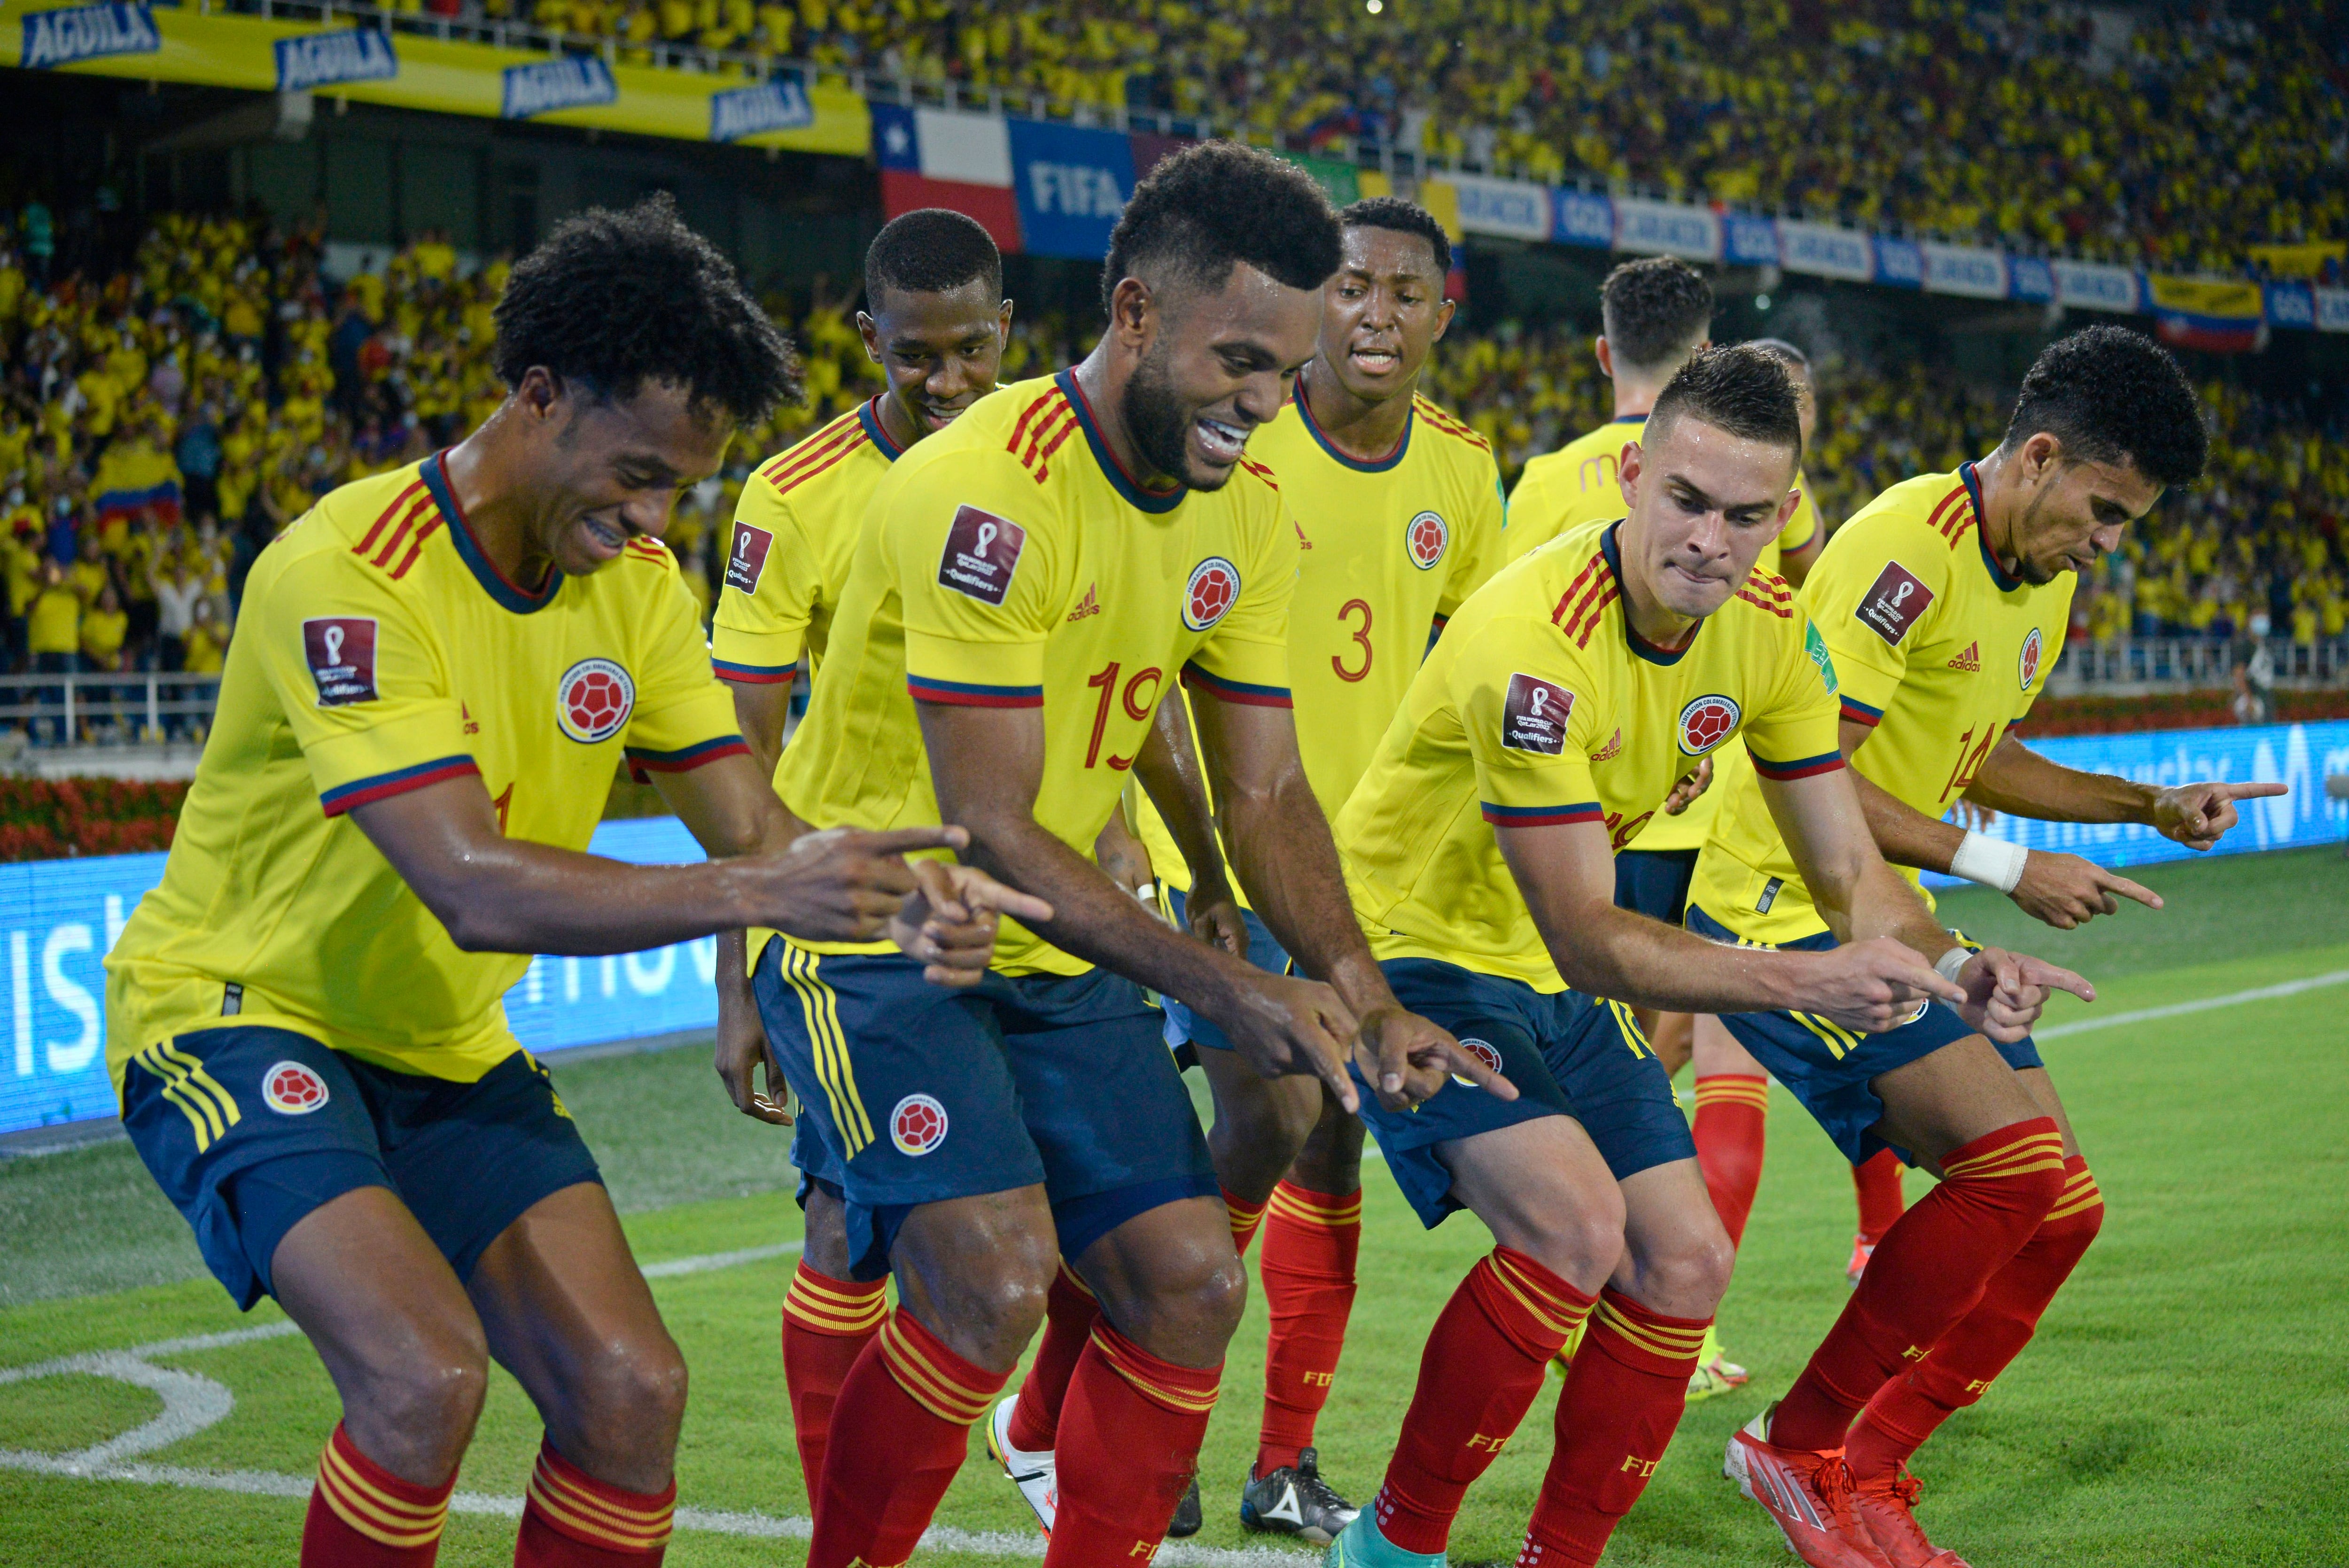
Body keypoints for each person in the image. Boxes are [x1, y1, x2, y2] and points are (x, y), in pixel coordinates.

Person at [101, 195, 1044, 1568]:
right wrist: (757, 896)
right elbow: (471, 885)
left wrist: (899, 894)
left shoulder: (638, 587)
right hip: (239, 1013)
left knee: (631, 1393)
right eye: (638, 471)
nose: (655, 514)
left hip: (441, 1045)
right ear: (538, 395)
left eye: (681, 487)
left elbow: (749, 822)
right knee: (423, 1377)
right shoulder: (347, 575)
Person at [740, 143, 1495, 1568]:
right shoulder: (987, 493)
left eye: (1285, 368)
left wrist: (1358, 981)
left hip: (1052, 943)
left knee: (1191, 1284)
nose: (1265, 403)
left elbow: (1263, 790)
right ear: (1135, 312)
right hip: (878, 931)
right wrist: (1224, 985)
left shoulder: (1249, 504)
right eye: (1238, 362)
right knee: (995, 1275)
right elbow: (993, 820)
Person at [1318, 345, 2085, 1568]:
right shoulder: (1534, 640)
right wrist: (1804, 976)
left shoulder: (1772, 633)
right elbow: (1585, 927)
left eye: (1747, 514)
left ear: (1786, 516)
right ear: (1632, 475)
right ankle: (1390, 1547)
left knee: (1684, 1256)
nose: (1712, 539)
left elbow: (1845, 870)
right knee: (1572, 1226)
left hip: (1546, 969)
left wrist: (1947, 967)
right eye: (1686, 500)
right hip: (1404, 954)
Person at [1698, 326, 2282, 1568]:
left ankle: (1867, 1459)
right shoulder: (1905, 545)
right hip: (1774, 895)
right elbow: (1818, 769)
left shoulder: (2046, 581)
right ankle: (1792, 1447)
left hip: (1881, 898)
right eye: (2104, 509)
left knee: (2063, 1206)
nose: (2108, 543)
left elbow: (1980, 754)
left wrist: (2146, 806)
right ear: (2039, 455)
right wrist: (2009, 868)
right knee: (2011, 1167)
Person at [989, 195, 1503, 1546]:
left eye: (1406, 293)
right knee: (1266, 1130)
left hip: (1358, 873)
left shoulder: (1464, 470)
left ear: (1446, 313)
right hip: (1225, 860)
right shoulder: (1233, 456)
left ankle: (1280, 1460)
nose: (1375, 317)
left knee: (1326, 1148)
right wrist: (1189, 855)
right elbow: (1165, 664)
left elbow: (1471, 681)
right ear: (1309, 299)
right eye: (1351, 290)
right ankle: (1063, 1405)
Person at [707, 206, 1019, 1500]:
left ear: (1008, 331)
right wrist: (734, 985)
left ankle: (1048, 1439)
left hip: (1022, 906)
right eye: (916, 358)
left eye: (970, 353)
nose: (947, 385)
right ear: (866, 339)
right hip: (853, 925)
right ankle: (851, 1514)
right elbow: (740, 760)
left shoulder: (1045, 466)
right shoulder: (793, 493)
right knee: (850, 1229)